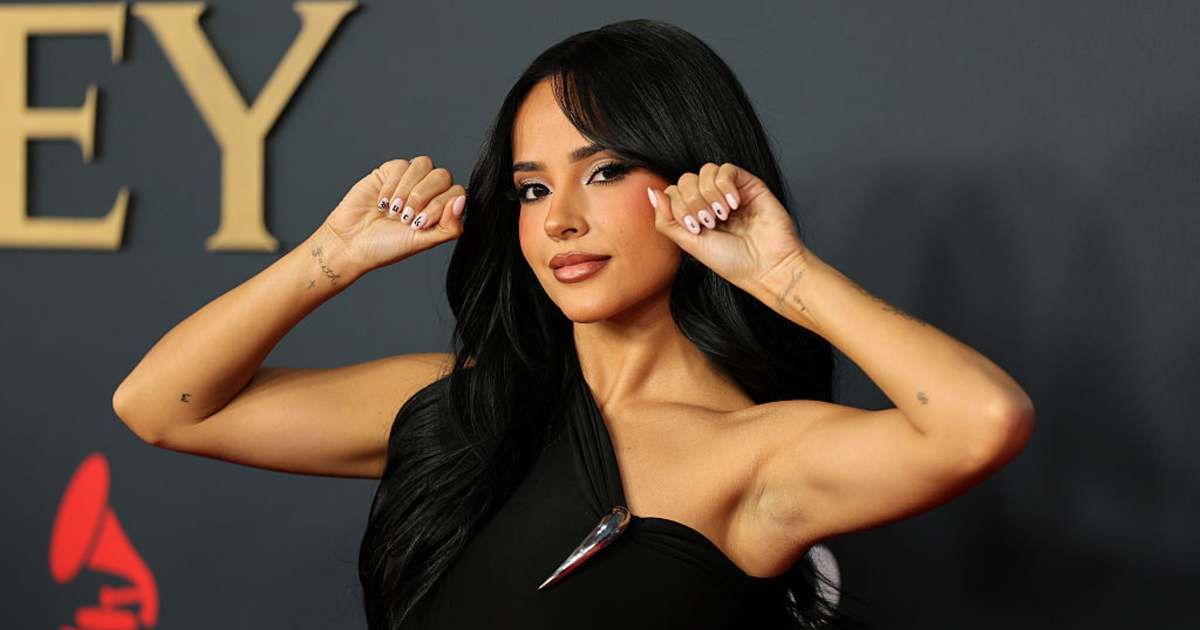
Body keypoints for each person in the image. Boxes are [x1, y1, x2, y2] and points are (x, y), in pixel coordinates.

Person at [112, 18, 1034, 630]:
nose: (558, 221)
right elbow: (163, 406)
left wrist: (784, 275)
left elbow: (979, 423)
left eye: (600, 174)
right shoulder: (453, 406)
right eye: (531, 188)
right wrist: (330, 257)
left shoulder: (754, 459)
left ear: (688, 181)